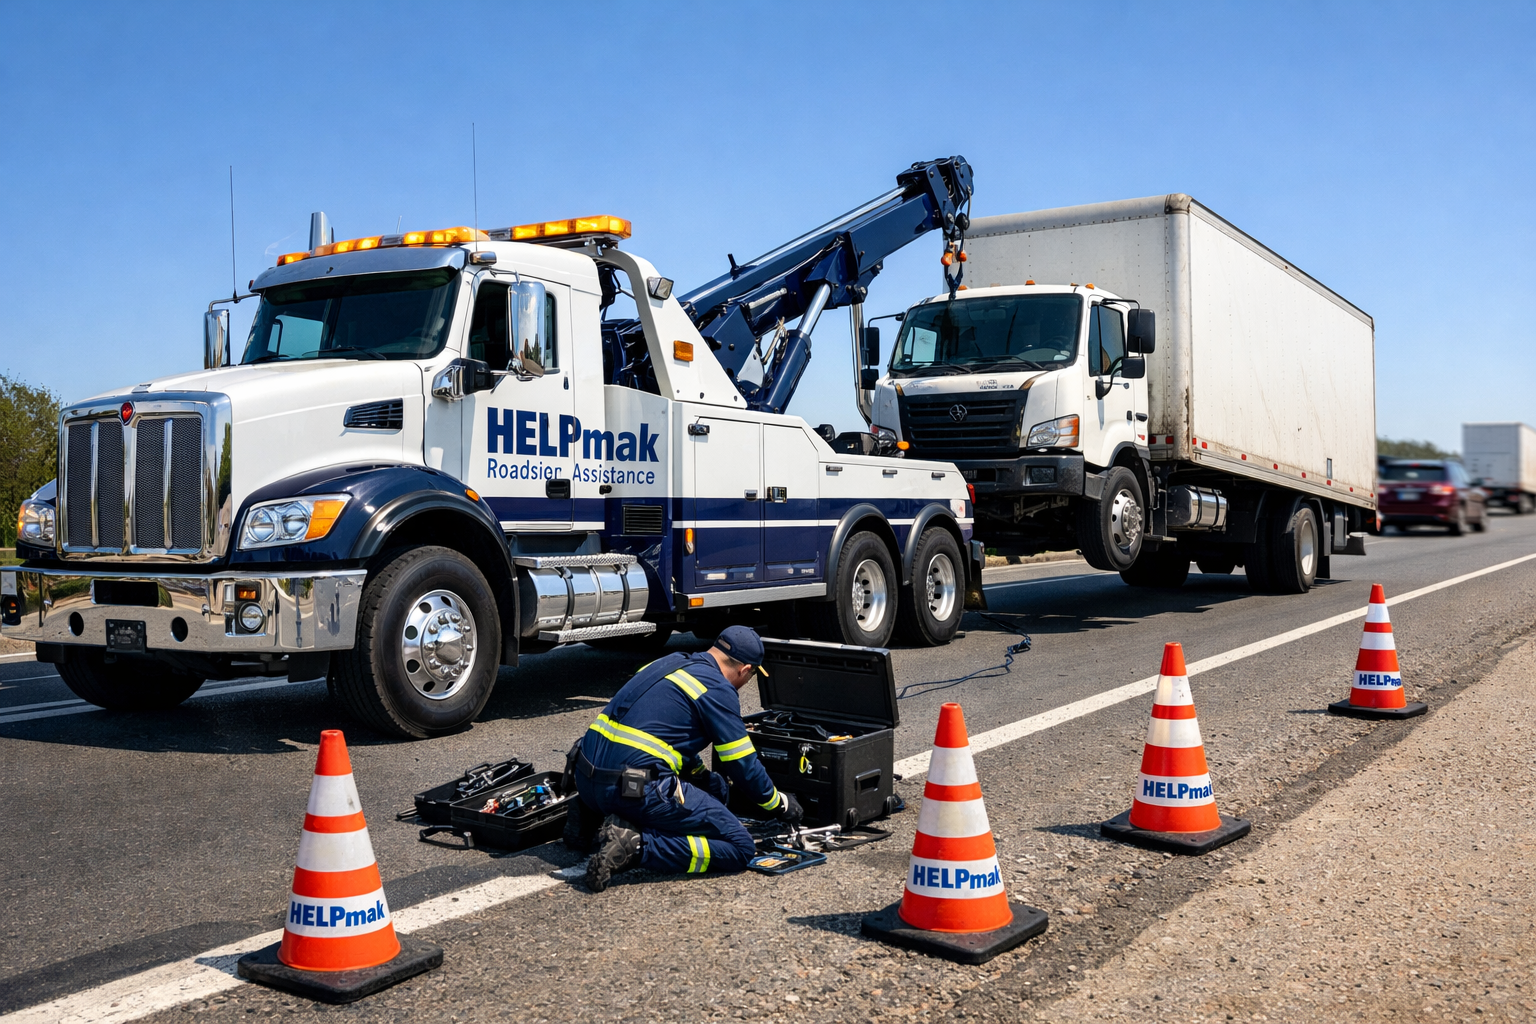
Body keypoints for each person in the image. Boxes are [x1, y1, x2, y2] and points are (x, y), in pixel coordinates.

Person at [573, 625, 802, 891]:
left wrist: (701, 776)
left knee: (704, 789)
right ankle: (637, 846)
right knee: (739, 847)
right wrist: (780, 804)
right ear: (745, 670)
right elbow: (743, 765)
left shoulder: (668, 663)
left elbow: (661, 732)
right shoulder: (717, 688)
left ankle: (588, 820)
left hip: (586, 779)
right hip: (630, 790)